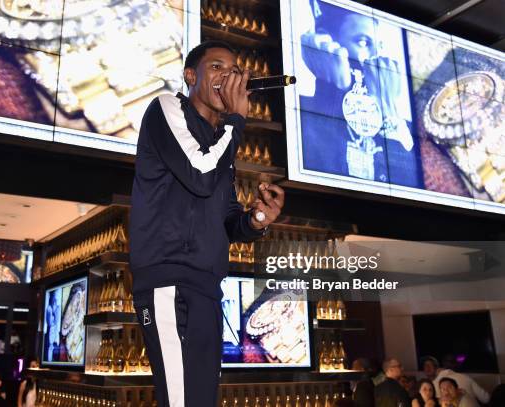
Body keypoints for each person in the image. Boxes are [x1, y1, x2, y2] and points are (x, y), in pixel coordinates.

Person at [129, 40, 284, 407]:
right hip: (168, 281)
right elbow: (199, 173)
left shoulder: (219, 144)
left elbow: (229, 223)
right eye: (216, 67)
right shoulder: (166, 107)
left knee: (198, 399)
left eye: (233, 71)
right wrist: (236, 120)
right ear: (189, 76)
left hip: (207, 288)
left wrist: (259, 218)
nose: (227, 76)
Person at [299, 1, 422, 188]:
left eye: (379, 46)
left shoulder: (408, 131)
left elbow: (412, 196)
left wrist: (388, 112)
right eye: (363, 42)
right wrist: (331, 88)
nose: (376, 57)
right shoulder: (301, 114)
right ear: (326, 42)